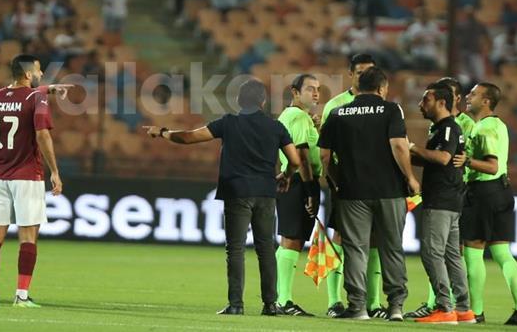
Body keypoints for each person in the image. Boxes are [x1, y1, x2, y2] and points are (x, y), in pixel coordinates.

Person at [143, 79, 302, 316]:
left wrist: (163, 132)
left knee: (235, 249)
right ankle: (270, 305)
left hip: (236, 193)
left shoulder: (228, 123)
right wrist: (285, 175)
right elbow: (296, 160)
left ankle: (236, 305)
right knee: (266, 249)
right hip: (265, 194)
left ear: (238, 100)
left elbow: (189, 137)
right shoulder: (275, 127)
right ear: (263, 101)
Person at [318, 66, 420, 321]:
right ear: (382, 88)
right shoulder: (390, 109)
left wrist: (337, 181)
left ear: (358, 86)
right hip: (389, 191)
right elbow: (398, 145)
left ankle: (357, 307)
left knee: (355, 249)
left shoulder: (338, 113)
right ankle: (395, 306)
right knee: (392, 247)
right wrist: (410, 177)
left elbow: (325, 156)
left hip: (353, 192)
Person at [0, 54, 63, 307]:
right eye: (38, 71)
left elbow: (17, 97)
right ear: (28, 74)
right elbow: (42, 135)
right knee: (28, 235)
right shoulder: (36, 97)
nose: (40, 75)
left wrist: (46, 89)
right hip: (27, 175)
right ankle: (21, 295)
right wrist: (55, 171)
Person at [452, 83, 517, 325]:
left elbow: (491, 166)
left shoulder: (485, 129)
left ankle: (475, 312)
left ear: (486, 101)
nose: (468, 96)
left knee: (473, 253)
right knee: (502, 253)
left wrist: (466, 161)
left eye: (473, 94)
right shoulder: (498, 125)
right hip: (503, 192)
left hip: (483, 192)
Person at [320, 53, 389, 319]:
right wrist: (331, 179)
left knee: (374, 240)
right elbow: (325, 148)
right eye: (359, 72)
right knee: (339, 237)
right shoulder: (335, 106)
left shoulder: (385, 106)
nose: (363, 76)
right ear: (351, 74)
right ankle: (334, 300)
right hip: (344, 182)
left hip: (375, 183)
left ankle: (373, 303)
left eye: (369, 71)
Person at [404, 75, 475, 319]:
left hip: (441, 200)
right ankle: (464, 309)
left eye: (427, 99)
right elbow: (433, 159)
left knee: (432, 252)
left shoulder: (447, 128)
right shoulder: (446, 128)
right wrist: (405, 154)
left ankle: (445, 307)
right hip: (451, 200)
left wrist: (411, 148)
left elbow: (443, 159)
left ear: (442, 102)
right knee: (451, 255)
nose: (421, 103)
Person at [274, 74, 321, 316]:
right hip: (299, 183)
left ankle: (280, 298)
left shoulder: (291, 116)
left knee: (288, 239)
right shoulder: (299, 116)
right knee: (293, 239)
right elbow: (302, 155)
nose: (316, 93)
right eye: (310, 88)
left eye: (318, 89)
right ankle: (284, 300)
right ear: (295, 92)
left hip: (290, 181)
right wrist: (311, 189)